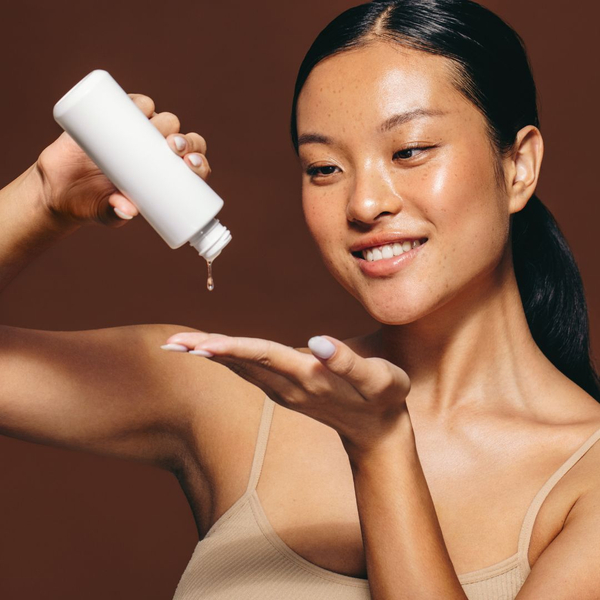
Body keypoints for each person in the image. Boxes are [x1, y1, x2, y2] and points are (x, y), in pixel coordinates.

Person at [1, 0, 599, 598]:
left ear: (518, 165)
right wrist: (44, 197)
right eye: (323, 168)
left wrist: (382, 448)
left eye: (409, 151)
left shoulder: (587, 479)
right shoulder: (230, 398)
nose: (364, 204)